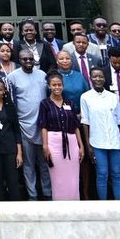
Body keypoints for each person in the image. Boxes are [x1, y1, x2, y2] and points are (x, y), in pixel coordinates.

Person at [7, 50, 50, 200]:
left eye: (30, 59)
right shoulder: (12, 77)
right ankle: (33, 196)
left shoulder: (43, 75)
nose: (28, 61)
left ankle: (47, 194)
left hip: (42, 127)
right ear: (19, 60)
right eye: (24, 59)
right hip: (24, 127)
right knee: (28, 166)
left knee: (45, 164)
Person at [80, 68, 120, 200]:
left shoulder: (113, 97)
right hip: (97, 141)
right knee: (102, 174)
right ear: (90, 79)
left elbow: (119, 121)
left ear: (105, 78)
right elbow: (85, 122)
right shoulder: (85, 97)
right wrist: (88, 145)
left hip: (115, 141)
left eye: (100, 76)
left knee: (116, 173)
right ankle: (103, 205)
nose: (98, 79)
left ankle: (119, 204)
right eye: (94, 76)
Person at [38, 71, 82, 200]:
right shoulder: (45, 104)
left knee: (73, 177)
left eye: (59, 85)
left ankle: (74, 203)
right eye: (54, 85)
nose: (57, 87)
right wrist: (45, 146)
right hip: (54, 142)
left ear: (63, 86)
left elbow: (76, 126)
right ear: (49, 86)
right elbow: (43, 126)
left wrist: (81, 145)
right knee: (57, 177)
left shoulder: (69, 103)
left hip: (72, 141)